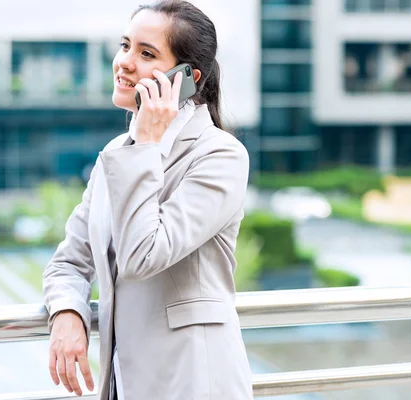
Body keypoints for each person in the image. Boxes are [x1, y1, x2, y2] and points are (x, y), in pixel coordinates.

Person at [42, 1, 253, 399]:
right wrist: (68, 312)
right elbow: (68, 262)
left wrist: (146, 144)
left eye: (146, 53)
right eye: (125, 46)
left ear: (186, 78)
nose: (124, 62)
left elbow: (143, 254)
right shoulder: (117, 155)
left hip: (193, 384)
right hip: (124, 384)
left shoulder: (220, 156)